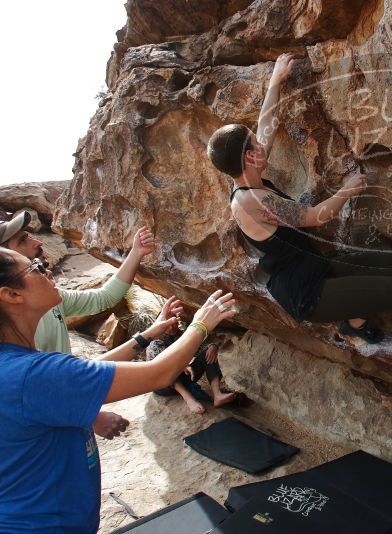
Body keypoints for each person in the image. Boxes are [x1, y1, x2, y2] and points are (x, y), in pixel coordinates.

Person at [206, 53, 392, 379]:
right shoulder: (252, 200)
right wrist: (346, 190)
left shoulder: (248, 173)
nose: (262, 142)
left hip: (316, 269)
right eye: (255, 144)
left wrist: (276, 81)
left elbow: (265, 128)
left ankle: (353, 322)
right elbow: (314, 217)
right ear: (250, 156)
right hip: (307, 293)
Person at [0, 246, 236, 533]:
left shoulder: (19, 368)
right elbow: (158, 374)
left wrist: (146, 336)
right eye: (35, 268)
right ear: (11, 295)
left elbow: (84, 374)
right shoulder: (31, 375)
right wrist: (201, 324)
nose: (46, 268)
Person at [0, 210, 156, 439]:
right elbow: (34, 388)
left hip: (70, 419)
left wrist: (136, 253)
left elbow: (103, 298)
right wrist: (91, 417)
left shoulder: (50, 299)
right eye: (23, 240)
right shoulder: (12, 336)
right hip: (51, 429)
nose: (37, 242)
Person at [146, 322, 235, 413]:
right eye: (168, 325)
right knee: (168, 369)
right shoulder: (154, 343)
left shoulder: (180, 335)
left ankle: (217, 395)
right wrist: (181, 365)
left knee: (209, 352)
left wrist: (212, 346)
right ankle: (189, 399)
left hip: (185, 375)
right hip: (163, 385)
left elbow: (199, 349)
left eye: (174, 324)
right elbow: (161, 367)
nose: (172, 327)